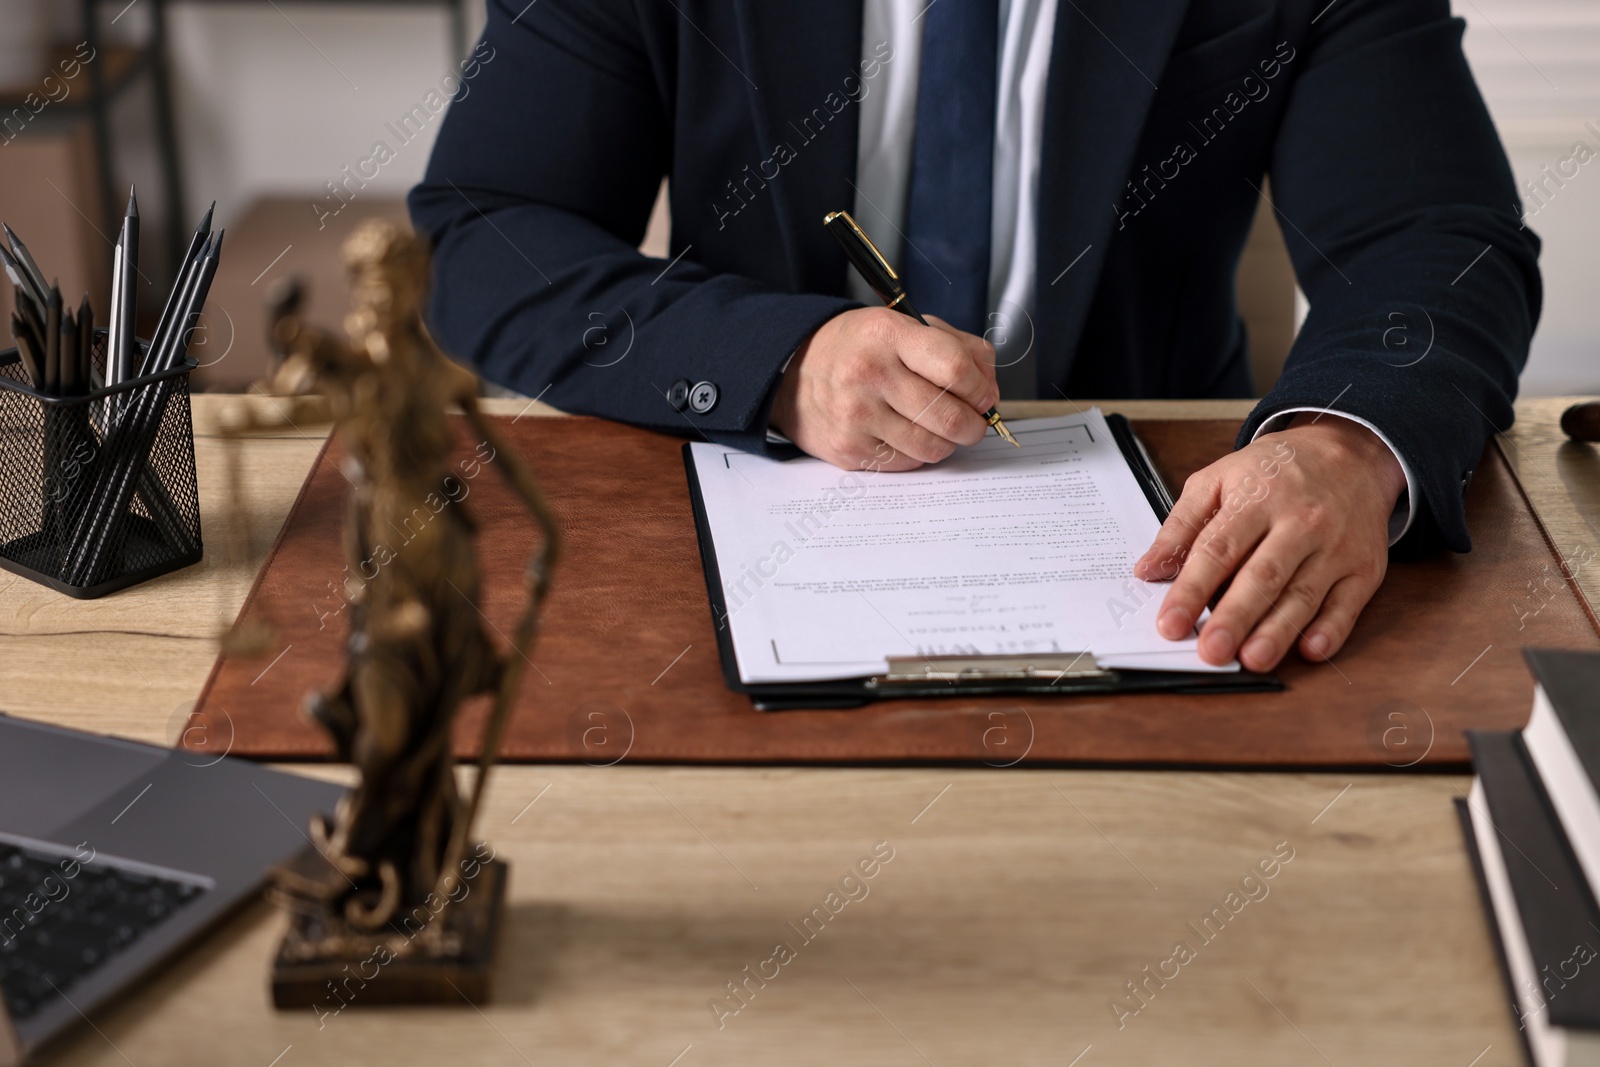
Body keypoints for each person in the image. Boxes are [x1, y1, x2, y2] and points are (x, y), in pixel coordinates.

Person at [409, 0, 1540, 674]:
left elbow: (1436, 233)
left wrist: (1347, 444)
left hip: (1165, 546)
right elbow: (487, 230)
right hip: (741, 525)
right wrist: (779, 360)